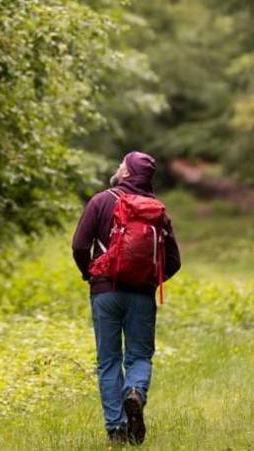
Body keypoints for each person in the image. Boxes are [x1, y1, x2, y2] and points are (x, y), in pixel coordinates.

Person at [72, 151, 181, 445]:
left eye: (122, 164)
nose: (118, 167)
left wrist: (91, 273)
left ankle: (116, 430)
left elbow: (80, 245)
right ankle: (135, 391)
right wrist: (148, 279)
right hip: (142, 297)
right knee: (140, 356)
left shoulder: (101, 201)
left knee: (109, 361)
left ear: (129, 172)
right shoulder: (158, 211)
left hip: (105, 292)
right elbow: (173, 261)